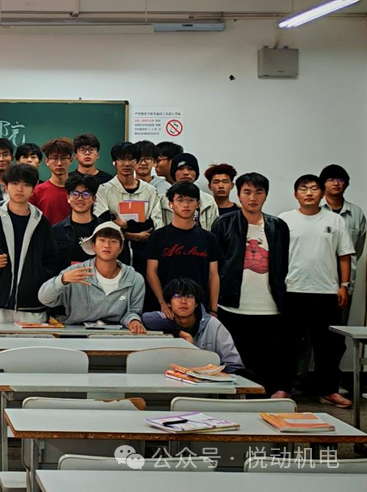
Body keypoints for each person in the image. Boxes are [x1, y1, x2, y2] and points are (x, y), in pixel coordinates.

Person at [279, 175, 355, 408]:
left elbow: (344, 255)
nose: (309, 193)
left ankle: (328, 391)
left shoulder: (334, 220)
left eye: (314, 188)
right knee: (288, 344)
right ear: (295, 194)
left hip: (326, 292)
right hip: (293, 290)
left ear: (322, 193)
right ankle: (283, 388)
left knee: (328, 346)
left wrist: (344, 286)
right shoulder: (284, 220)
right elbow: (277, 256)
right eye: (303, 189)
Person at [212, 172, 290, 397]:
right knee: (236, 360)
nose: (253, 198)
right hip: (232, 304)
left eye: (258, 192)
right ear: (239, 195)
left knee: (267, 360)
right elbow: (215, 266)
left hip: (269, 306)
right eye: (247, 192)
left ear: (266, 195)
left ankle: (266, 401)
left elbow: (284, 262)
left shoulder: (278, 226)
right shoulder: (224, 223)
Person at [0, 163, 60, 323]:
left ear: (34, 189)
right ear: (6, 187)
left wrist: (36, 282)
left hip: (32, 305)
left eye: (26, 184)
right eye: (15, 183)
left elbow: (52, 262)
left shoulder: (42, 223)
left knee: (32, 341)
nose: (20, 189)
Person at [38, 222, 146, 333]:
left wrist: (133, 321)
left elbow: (132, 312)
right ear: (93, 246)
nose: (107, 245)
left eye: (113, 241)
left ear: (121, 248)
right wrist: (62, 280)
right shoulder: (76, 272)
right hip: (76, 332)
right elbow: (44, 298)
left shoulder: (134, 279)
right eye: (102, 240)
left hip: (116, 335)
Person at [146, 181, 221, 314]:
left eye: (191, 200)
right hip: (166, 308)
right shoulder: (157, 237)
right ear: (170, 204)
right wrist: (162, 302)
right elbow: (151, 272)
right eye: (180, 200)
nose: (186, 205)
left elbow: (213, 275)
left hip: (199, 307)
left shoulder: (209, 238)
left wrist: (213, 309)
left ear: (198, 204)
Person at [142, 279, 245, 373]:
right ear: (169, 303)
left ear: (196, 304)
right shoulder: (165, 319)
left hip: (207, 382)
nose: (183, 301)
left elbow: (234, 364)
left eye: (189, 296)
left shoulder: (212, 324)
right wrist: (180, 333)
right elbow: (147, 318)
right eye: (177, 296)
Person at [93, 142, 163, 269]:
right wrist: (132, 235)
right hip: (114, 255)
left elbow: (154, 224)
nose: (126, 164)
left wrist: (126, 225)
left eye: (131, 159)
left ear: (136, 162)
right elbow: (103, 222)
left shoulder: (150, 190)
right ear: (114, 162)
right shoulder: (104, 190)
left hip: (145, 253)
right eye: (122, 159)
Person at [319, 164, 367, 326]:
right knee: (312, 330)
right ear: (322, 184)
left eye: (340, 179)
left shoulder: (356, 213)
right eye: (330, 179)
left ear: (346, 183)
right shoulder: (315, 209)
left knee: (339, 327)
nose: (336, 183)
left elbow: (357, 249)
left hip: (344, 283)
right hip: (317, 279)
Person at [53, 174, 107, 271]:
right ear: (68, 197)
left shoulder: (105, 229)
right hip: (65, 279)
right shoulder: (55, 231)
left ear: (94, 198)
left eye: (86, 194)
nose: (80, 198)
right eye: (75, 194)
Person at [160, 153, 219, 230]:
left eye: (190, 169)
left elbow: (215, 230)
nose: (186, 173)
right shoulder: (161, 201)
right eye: (181, 168)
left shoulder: (208, 201)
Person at [30, 137, 74, 224]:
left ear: (71, 160)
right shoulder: (37, 191)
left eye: (63, 158)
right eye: (54, 158)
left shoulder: (78, 191)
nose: (59, 163)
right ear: (47, 161)